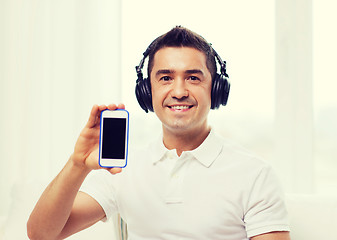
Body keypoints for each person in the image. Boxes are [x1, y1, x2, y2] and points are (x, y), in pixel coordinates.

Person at [27, 26, 291, 240]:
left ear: (217, 89)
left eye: (193, 78)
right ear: (147, 90)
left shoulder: (254, 174)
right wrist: (77, 164)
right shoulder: (122, 169)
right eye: (165, 78)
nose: (178, 91)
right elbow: (42, 234)